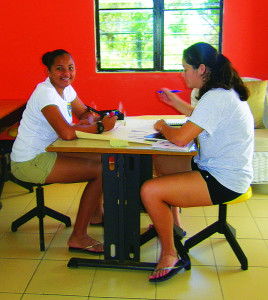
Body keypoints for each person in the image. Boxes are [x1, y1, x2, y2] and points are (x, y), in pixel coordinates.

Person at [140, 42, 254, 282]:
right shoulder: (221, 92)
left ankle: (170, 254)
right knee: (162, 164)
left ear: (201, 69)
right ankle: (175, 226)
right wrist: (174, 103)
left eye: (185, 69)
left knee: (150, 191)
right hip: (219, 168)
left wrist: (162, 126)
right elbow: (199, 116)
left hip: (225, 180)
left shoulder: (216, 97)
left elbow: (181, 138)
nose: (183, 75)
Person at [10, 49, 118, 254]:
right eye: (60, 69)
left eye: (70, 68)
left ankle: (96, 215)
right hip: (30, 161)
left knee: (105, 158)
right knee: (102, 171)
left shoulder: (66, 89)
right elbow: (67, 134)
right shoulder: (46, 93)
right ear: (48, 71)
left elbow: (83, 112)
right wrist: (102, 127)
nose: (66, 73)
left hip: (52, 149)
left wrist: (89, 119)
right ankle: (78, 237)